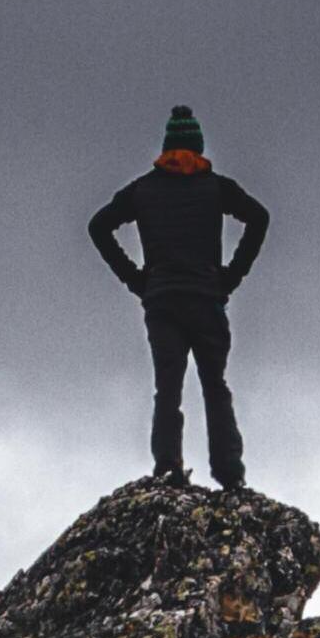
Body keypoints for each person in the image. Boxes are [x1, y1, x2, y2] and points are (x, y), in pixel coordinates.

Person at [90, 107, 270, 489]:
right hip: (206, 298)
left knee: (168, 387)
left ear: (166, 148)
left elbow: (98, 226)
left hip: (163, 300)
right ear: (199, 146)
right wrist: (231, 276)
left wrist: (136, 280)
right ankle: (229, 473)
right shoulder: (216, 187)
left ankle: (168, 466)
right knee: (215, 385)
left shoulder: (144, 189)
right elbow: (259, 217)